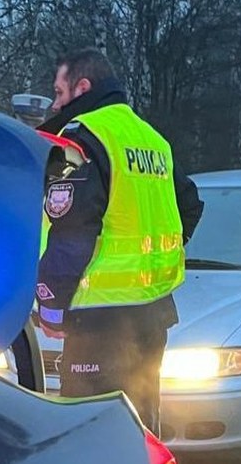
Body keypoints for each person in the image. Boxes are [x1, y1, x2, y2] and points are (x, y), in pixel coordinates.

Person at [33, 48, 203, 433]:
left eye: (59, 93)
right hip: (152, 314)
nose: (56, 103)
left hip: (99, 324)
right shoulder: (152, 140)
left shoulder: (83, 138)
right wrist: (162, 253)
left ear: (83, 87)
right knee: (140, 428)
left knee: (91, 435)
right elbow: (189, 206)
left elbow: (72, 231)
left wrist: (51, 307)